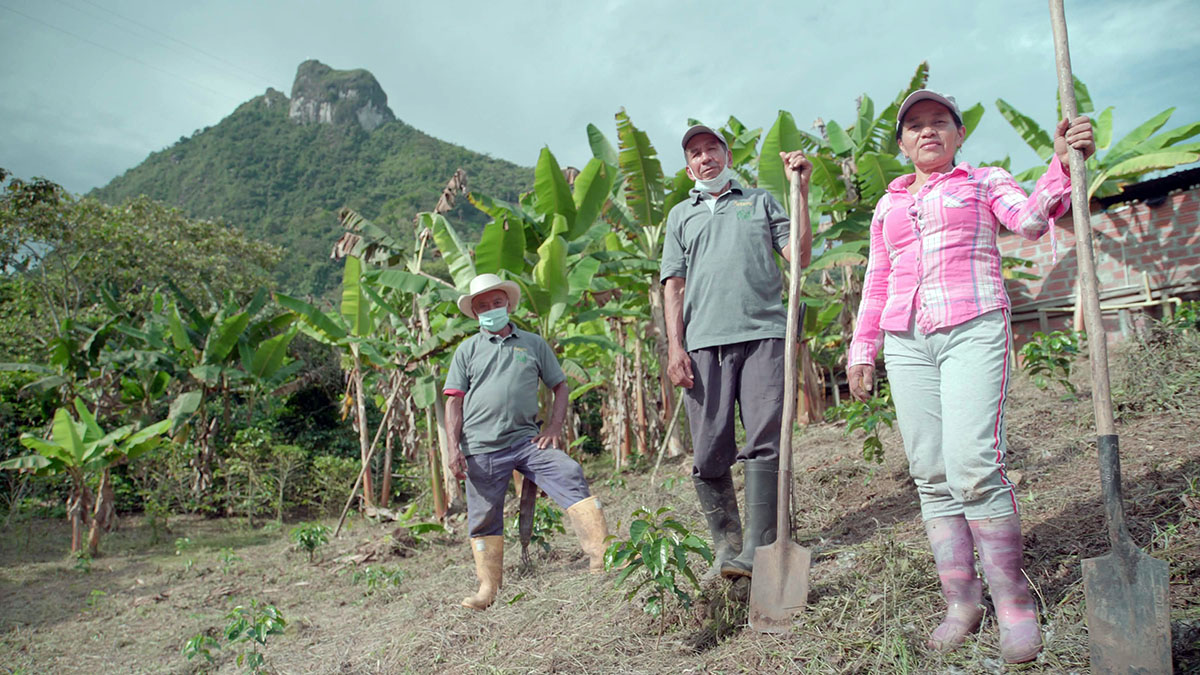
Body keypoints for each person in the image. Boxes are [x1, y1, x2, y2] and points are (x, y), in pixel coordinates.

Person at [845, 90, 1095, 663]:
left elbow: (1031, 221)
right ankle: (962, 601)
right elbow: (877, 281)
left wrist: (1062, 162)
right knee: (931, 472)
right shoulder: (887, 206)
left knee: (974, 466)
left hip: (972, 325)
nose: (927, 132)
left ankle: (1013, 603)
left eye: (939, 123)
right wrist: (864, 349)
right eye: (915, 126)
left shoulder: (984, 181)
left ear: (958, 135)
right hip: (906, 340)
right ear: (902, 142)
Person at [659, 123, 812, 579]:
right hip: (704, 343)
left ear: (727, 156)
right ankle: (726, 548)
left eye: (712, 149)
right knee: (708, 450)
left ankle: (759, 550)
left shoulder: (760, 201)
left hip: (764, 333)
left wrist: (800, 192)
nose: (705, 157)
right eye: (696, 153)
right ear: (688, 168)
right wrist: (675, 346)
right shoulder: (679, 217)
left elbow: (799, 256)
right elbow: (674, 286)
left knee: (766, 438)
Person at [444, 273, 610, 611]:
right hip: (481, 446)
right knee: (483, 517)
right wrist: (453, 448)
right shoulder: (467, 351)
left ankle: (601, 559)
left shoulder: (532, 344)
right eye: (483, 306)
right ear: (475, 313)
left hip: (526, 440)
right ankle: (487, 588)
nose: (491, 309)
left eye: (496, 302)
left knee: (569, 472)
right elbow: (454, 402)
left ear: (508, 304)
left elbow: (560, 386)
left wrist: (554, 426)